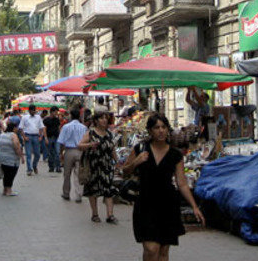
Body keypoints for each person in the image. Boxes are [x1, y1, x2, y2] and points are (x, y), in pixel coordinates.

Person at [123, 113, 206, 261]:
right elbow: (124, 171)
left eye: (163, 127)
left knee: (163, 251)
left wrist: (194, 206)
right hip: (146, 203)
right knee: (151, 249)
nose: (160, 131)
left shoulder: (175, 154)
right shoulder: (140, 148)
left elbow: (182, 183)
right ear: (150, 131)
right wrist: (136, 162)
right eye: (156, 128)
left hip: (167, 204)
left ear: (168, 129)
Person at [80, 112, 119, 223]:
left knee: (108, 189)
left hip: (106, 165)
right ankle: (95, 214)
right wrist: (90, 145)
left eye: (105, 118)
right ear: (96, 120)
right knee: (93, 190)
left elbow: (112, 149)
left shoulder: (109, 134)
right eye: (101, 118)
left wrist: (116, 162)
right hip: (93, 165)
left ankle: (110, 215)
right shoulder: (90, 133)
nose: (104, 120)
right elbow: (79, 145)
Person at [57, 108, 88, 203]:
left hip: (69, 151)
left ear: (70, 115)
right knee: (79, 174)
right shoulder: (84, 127)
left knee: (67, 174)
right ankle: (78, 195)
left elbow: (61, 142)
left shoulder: (66, 127)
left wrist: (61, 153)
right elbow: (87, 141)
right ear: (79, 116)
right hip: (80, 152)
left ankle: (66, 193)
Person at [0, 122, 25, 196]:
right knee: (11, 174)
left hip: (2, 157)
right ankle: (9, 190)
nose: (17, 129)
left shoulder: (2, 135)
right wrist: (21, 156)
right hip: (11, 159)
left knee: (6, 174)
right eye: (16, 128)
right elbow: (16, 146)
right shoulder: (13, 135)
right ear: (13, 128)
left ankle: (5, 190)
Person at [18, 105, 45, 176]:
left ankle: (34, 165)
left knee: (37, 154)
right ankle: (29, 169)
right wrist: (24, 137)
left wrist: (41, 136)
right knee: (28, 154)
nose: (33, 112)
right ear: (29, 110)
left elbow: (42, 127)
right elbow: (20, 128)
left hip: (36, 136)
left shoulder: (38, 117)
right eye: (32, 110)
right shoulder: (24, 117)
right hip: (28, 136)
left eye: (34, 110)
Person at [43, 106, 62, 173]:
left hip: (56, 138)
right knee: (51, 153)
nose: (57, 113)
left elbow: (59, 128)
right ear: (52, 112)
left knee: (57, 152)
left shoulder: (57, 120)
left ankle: (58, 167)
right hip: (49, 137)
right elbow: (44, 129)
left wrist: (61, 137)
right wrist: (45, 138)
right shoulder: (46, 120)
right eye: (56, 112)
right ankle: (51, 167)